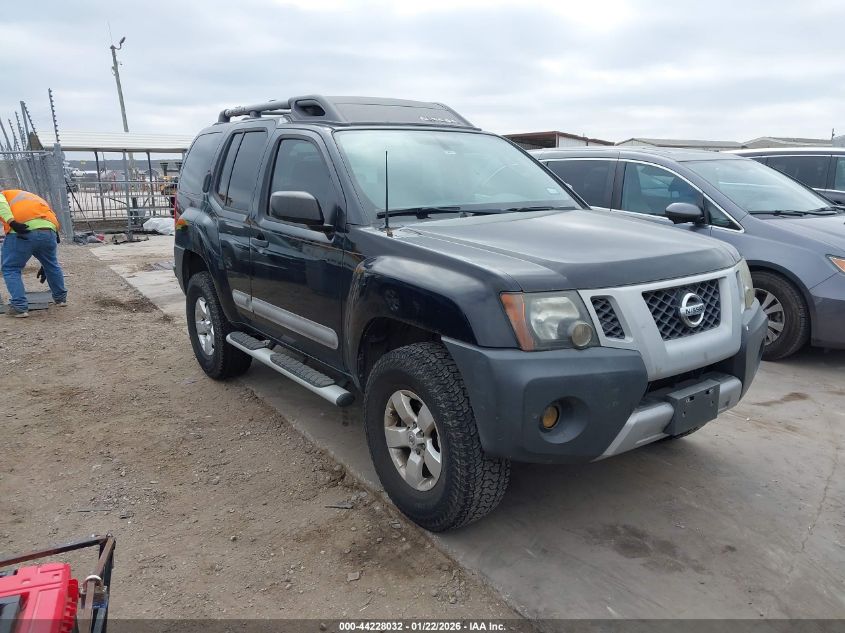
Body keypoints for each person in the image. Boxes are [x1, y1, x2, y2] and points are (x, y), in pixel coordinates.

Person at [0, 189, 67, 318]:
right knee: (51, 264)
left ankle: (19, 307)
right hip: (49, 230)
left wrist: (12, 222)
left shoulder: (2, 195)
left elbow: (1, 206)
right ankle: (61, 299)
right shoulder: (29, 197)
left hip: (21, 230)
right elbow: (49, 213)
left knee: (11, 268)